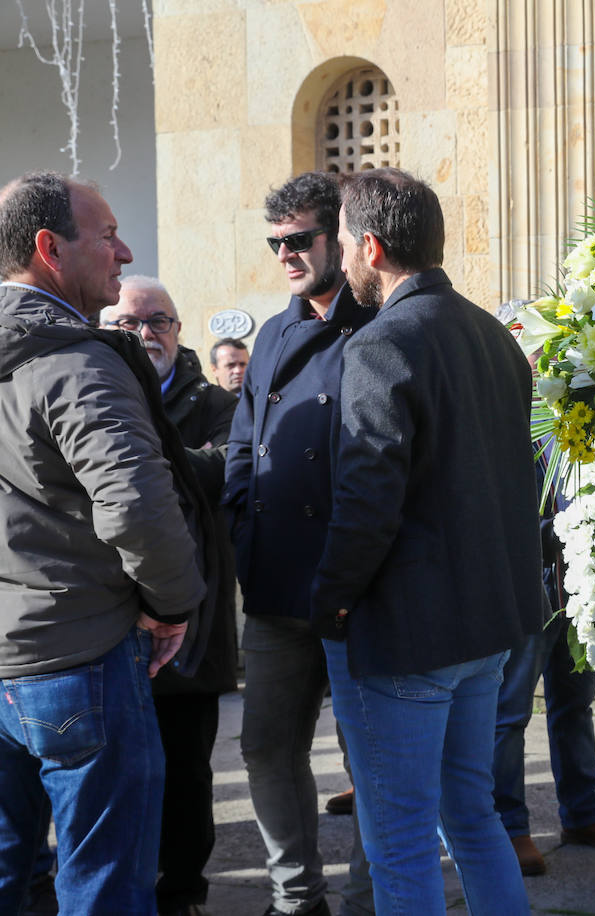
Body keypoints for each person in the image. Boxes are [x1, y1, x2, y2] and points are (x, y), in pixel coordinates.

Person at [311, 168, 543, 914]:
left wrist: (331, 599)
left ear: (371, 247)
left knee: (401, 841)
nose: (342, 259)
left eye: (345, 243)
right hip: (486, 626)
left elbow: (367, 495)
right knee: (472, 818)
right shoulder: (491, 337)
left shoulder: (383, 342)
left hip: (409, 632)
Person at [0, 172, 206, 913]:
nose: (123, 251)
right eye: (108, 234)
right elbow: (139, 509)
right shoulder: (79, 363)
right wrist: (175, 605)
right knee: (107, 889)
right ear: (49, 249)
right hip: (76, 660)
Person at [224, 171, 375, 916]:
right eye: (275, 242)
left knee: (368, 759)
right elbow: (243, 448)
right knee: (264, 746)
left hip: (357, 591)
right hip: (277, 587)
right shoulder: (276, 331)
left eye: (300, 240)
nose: (286, 254)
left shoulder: (379, 318)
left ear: (338, 237)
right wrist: (241, 533)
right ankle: (295, 896)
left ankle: (368, 897)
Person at [100, 277, 239, 916]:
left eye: (159, 321)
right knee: (110, 777)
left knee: (185, 776)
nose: (145, 333)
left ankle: (182, 892)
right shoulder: (87, 391)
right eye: (129, 323)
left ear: (179, 333)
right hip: (100, 622)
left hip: (191, 624)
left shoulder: (216, 403)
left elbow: (222, 472)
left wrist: (130, 456)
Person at [492, 302, 595, 877]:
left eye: (540, 345)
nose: (535, 357)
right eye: (524, 345)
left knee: (573, 705)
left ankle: (582, 812)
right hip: (523, 585)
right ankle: (509, 826)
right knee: (508, 714)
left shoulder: (571, 409)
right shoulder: (496, 417)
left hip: (577, 587)